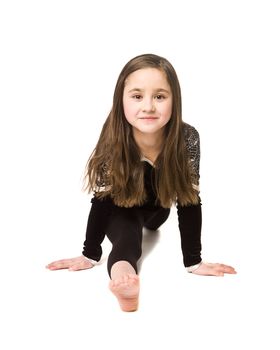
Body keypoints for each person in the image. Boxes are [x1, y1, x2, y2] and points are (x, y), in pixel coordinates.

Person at [46, 53, 236, 312]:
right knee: (127, 234)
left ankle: (132, 256)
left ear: (174, 100)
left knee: (153, 220)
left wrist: (194, 261)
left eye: (159, 96)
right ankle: (125, 282)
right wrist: (90, 253)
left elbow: (189, 201)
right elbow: (101, 201)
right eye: (137, 96)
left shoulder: (187, 136)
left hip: (160, 209)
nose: (148, 106)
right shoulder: (113, 137)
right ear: (121, 100)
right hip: (120, 205)